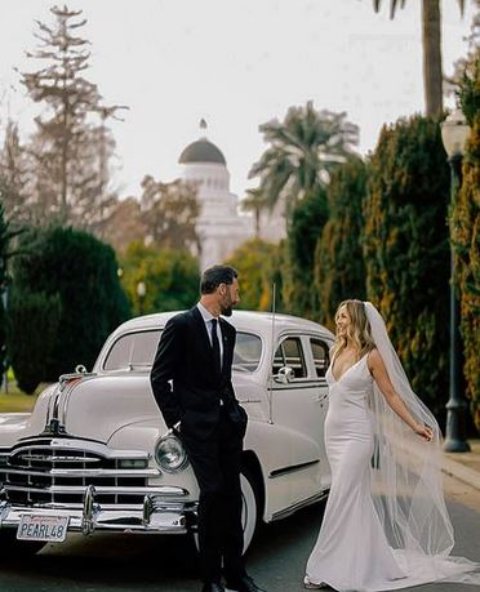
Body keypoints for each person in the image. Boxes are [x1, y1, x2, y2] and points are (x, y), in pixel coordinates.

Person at [304, 300, 480, 591]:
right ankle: (369, 561)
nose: (339, 322)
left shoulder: (371, 356)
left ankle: (324, 567)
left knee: (339, 498)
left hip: (357, 436)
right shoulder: (335, 350)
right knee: (354, 499)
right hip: (333, 436)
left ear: (357, 320)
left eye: (344, 317)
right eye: (338, 317)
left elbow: (391, 395)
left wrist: (415, 425)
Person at [150, 265, 267, 592]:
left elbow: (222, 381)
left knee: (232, 497)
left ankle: (237, 575)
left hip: (228, 427)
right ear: (220, 289)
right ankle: (211, 580)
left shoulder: (227, 331)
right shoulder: (181, 326)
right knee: (213, 494)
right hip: (196, 428)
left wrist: (236, 413)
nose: (238, 295)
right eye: (235, 289)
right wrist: (176, 420)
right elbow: (159, 377)